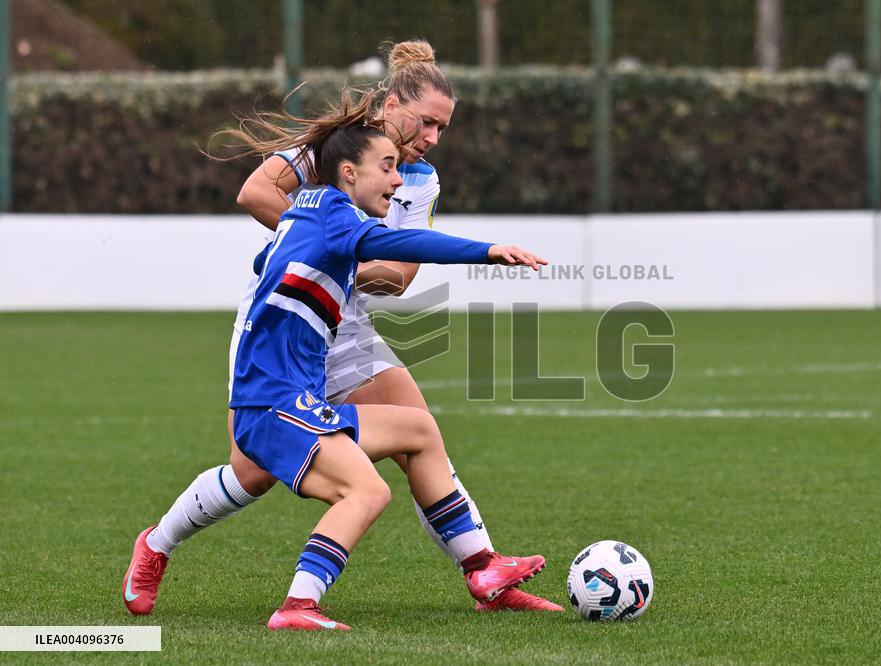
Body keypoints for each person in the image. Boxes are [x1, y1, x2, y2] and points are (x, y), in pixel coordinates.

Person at [122, 40, 562, 616]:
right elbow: (256, 191)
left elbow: (399, 273)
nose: (431, 139)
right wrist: (314, 242)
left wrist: (346, 257)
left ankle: (486, 576)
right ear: (392, 104)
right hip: (284, 317)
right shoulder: (334, 148)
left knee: (419, 432)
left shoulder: (418, 180)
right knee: (251, 473)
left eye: (442, 129)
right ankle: (157, 544)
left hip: (343, 322)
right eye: (426, 122)